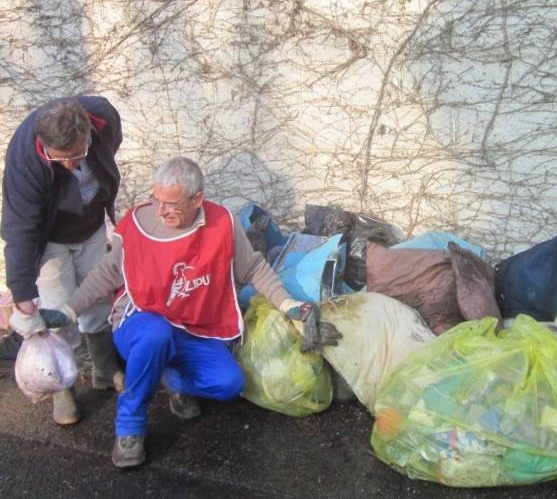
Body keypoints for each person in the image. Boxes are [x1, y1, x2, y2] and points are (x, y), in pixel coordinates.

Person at [39, 156, 340, 468]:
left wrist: (289, 305)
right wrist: (68, 311)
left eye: (171, 204)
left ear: (198, 199)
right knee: (156, 335)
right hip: (142, 319)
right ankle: (129, 427)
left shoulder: (222, 222)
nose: (161, 210)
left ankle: (173, 379)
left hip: (195, 326)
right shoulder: (139, 222)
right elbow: (106, 274)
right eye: (157, 200)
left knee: (228, 384)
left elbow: (254, 268)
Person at [4, 96, 124, 425]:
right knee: (59, 307)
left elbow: (108, 153)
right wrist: (23, 298)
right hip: (51, 236)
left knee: (98, 295)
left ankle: (104, 366)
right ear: (44, 147)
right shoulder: (25, 160)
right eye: (61, 160)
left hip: (91, 224)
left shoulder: (103, 117)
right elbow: (20, 231)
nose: (72, 164)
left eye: (78, 155)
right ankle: (60, 385)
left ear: (88, 133)